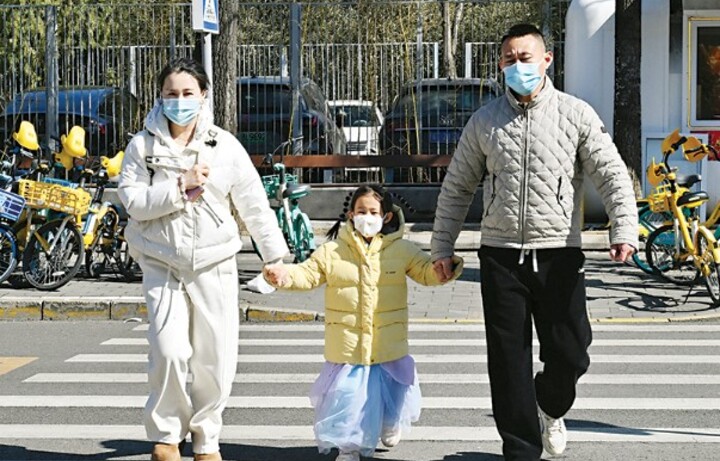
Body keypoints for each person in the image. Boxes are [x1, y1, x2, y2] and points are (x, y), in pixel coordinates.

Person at [431, 24, 638, 461]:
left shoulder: (575, 114)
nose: (517, 65)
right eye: (509, 59)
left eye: (525, 57)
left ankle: (551, 404)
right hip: (500, 255)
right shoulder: (485, 121)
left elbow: (612, 174)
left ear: (547, 60)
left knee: (571, 351)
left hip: (559, 253)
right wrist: (442, 248)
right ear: (500, 65)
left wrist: (623, 229)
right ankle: (521, 450)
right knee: (508, 360)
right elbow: (457, 187)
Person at [118, 57, 288, 461]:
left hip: (215, 261)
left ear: (203, 95)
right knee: (168, 351)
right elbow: (135, 203)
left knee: (216, 357)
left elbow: (254, 203)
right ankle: (166, 435)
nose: (179, 101)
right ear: (160, 97)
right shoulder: (142, 146)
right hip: (161, 260)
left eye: (187, 93)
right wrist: (181, 185)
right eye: (171, 93)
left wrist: (275, 255)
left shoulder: (224, 145)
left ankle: (207, 440)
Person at [263, 185, 463, 461]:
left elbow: (425, 271)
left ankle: (390, 423)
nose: (366, 217)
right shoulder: (332, 251)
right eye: (361, 211)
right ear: (350, 215)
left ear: (386, 217)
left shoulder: (402, 250)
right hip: (349, 348)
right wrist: (283, 276)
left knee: (392, 393)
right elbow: (307, 274)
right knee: (348, 400)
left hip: (388, 345)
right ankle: (349, 448)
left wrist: (444, 270)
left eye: (373, 212)